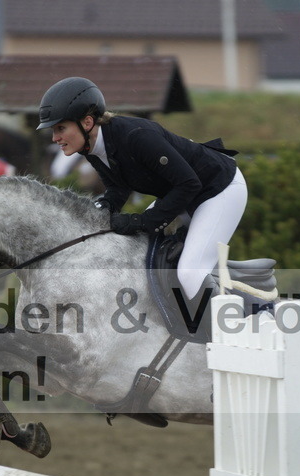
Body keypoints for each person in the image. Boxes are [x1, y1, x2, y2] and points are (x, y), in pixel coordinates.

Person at [36, 76, 251, 306]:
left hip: (220, 189)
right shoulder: (91, 146)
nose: (55, 138)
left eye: (60, 128)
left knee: (189, 274)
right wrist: (99, 210)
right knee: (137, 254)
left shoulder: (135, 136)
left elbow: (189, 184)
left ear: (87, 122)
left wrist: (142, 221)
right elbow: (118, 187)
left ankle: (246, 318)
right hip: (185, 195)